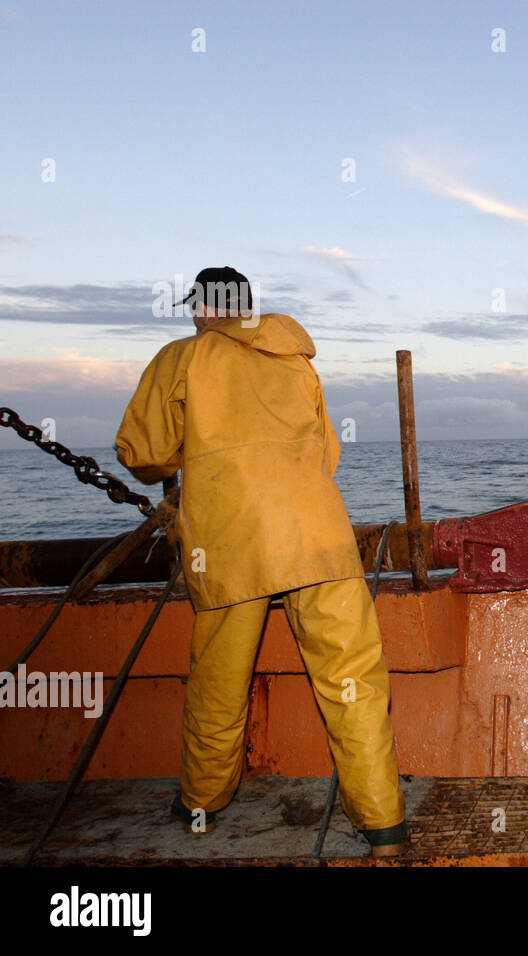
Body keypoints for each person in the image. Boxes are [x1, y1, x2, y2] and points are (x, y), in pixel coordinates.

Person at [114, 266, 408, 857]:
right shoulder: (296, 358)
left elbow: (141, 452)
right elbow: (328, 450)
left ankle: (201, 803)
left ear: (203, 308)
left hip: (230, 544)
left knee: (219, 683)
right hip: (319, 537)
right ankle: (384, 825)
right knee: (353, 683)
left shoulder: (183, 359)